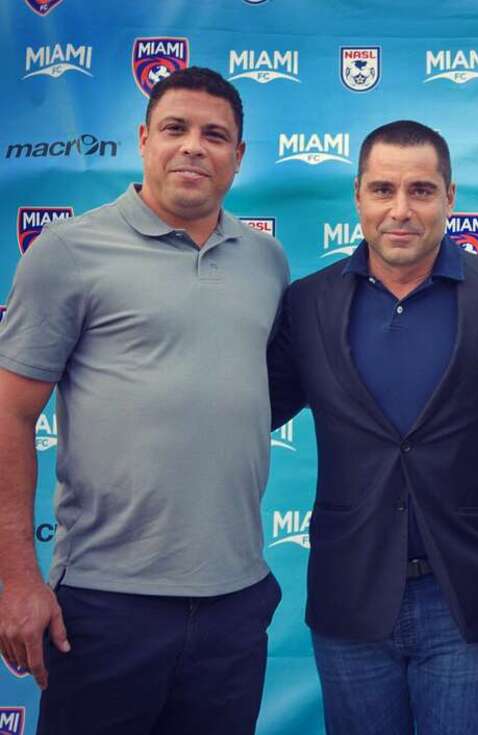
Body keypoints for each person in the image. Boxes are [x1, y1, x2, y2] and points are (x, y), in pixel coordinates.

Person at [0, 67, 287, 734]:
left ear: (238, 156)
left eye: (215, 134)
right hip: (103, 606)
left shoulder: (266, 260)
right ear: (142, 140)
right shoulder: (68, 252)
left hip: (234, 604)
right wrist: (17, 579)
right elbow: (12, 415)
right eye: (175, 129)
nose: (193, 146)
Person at [268, 120, 478, 735]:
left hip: (466, 599)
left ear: (450, 197)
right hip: (349, 598)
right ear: (358, 196)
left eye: (421, 191)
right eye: (383, 190)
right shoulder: (308, 303)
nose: (401, 210)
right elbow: (245, 415)